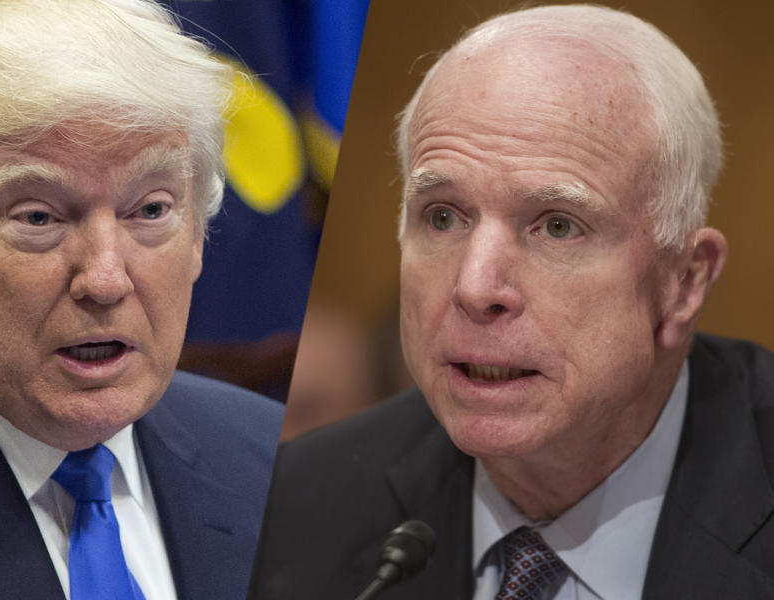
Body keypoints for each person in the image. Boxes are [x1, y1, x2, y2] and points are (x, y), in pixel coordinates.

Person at [250, 4, 774, 599]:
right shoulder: (293, 507)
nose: (474, 288)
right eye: (442, 216)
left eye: (556, 226)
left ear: (684, 283)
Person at [0, 1, 283, 599]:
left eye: (151, 210)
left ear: (196, 234)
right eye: (39, 217)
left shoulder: (271, 461)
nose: (106, 279)